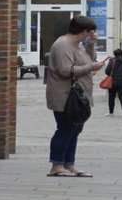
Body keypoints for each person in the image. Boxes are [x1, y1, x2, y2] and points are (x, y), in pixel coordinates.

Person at [44, 16, 104, 178]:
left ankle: (68, 164)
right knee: (65, 129)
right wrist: (92, 67)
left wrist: (92, 44)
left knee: (75, 129)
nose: (92, 34)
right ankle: (57, 165)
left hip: (78, 95)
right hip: (65, 95)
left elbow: (89, 60)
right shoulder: (63, 45)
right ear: (83, 31)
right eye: (90, 32)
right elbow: (65, 70)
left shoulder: (78, 45)